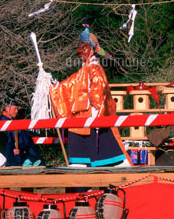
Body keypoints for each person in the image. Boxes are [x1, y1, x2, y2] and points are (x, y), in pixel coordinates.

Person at [50, 25, 129, 167]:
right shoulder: (85, 68)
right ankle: (82, 163)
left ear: (91, 49)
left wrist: (96, 106)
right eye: (81, 48)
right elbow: (71, 83)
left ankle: (113, 161)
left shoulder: (93, 67)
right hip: (82, 111)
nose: (80, 52)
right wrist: (53, 86)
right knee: (76, 128)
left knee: (97, 135)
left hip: (91, 110)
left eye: (84, 48)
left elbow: (99, 84)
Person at [0, 97, 42, 167]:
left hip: (21, 150)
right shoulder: (1, 121)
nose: (16, 111)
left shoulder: (13, 121)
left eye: (17, 109)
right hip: (9, 153)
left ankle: (33, 159)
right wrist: (13, 149)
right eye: (15, 109)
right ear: (7, 109)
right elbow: (3, 140)